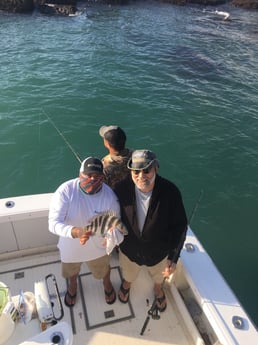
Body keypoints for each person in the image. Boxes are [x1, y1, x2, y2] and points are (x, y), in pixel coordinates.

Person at [114, 149, 187, 312]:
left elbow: (180, 226)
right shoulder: (120, 189)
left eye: (146, 170)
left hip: (159, 253)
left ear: (156, 168)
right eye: (136, 171)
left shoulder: (171, 192)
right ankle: (127, 283)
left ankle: (157, 289)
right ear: (130, 171)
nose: (141, 176)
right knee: (128, 272)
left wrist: (174, 256)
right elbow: (110, 214)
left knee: (158, 276)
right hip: (129, 250)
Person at [48, 157, 120, 307]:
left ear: (102, 177)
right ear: (80, 174)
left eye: (97, 176)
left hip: (98, 248)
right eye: (89, 175)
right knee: (71, 272)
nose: (93, 179)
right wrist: (75, 232)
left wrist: (112, 236)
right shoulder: (65, 191)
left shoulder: (110, 197)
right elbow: (53, 223)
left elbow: (116, 225)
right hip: (71, 246)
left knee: (103, 271)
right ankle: (73, 286)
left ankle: (107, 284)